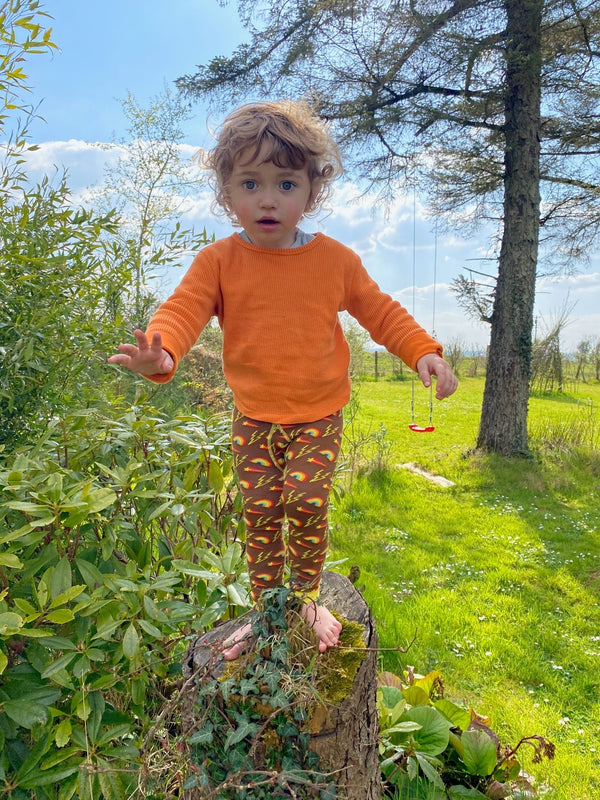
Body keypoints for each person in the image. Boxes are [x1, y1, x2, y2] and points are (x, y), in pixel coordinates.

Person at [108, 100, 458, 660]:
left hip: (317, 414)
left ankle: (307, 600)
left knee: (307, 501)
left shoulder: (335, 261)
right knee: (261, 513)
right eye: (251, 183)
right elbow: (183, 310)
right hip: (253, 418)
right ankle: (267, 611)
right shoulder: (218, 261)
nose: (268, 199)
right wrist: (162, 352)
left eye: (286, 184)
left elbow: (380, 311)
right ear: (227, 193)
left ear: (311, 193)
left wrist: (422, 351)